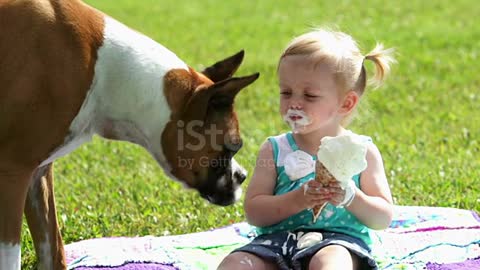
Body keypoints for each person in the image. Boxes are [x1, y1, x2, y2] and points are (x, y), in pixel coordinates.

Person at [217, 28, 395, 270]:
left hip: (338, 242)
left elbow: (382, 217)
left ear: (346, 102)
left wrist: (351, 196)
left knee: (331, 263)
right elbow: (255, 212)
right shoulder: (274, 149)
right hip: (275, 243)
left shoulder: (361, 152)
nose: (294, 102)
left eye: (310, 95)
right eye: (286, 92)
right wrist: (297, 199)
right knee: (235, 264)